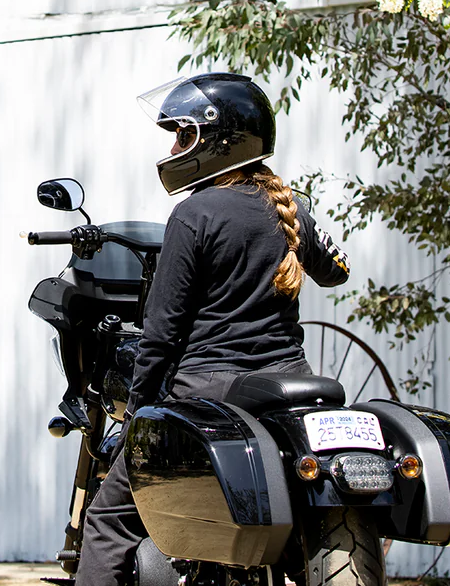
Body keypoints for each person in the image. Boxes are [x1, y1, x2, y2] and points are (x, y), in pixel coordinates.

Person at [73, 72, 350, 586]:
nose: (174, 149)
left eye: (184, 135)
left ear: (219, 141)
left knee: (108, 520)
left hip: (210, 391)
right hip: (289, 387)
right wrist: (306, 230)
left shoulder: (194, 214)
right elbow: (337, 271)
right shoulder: (288, 207)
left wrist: (137, 415)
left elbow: (161, 332)